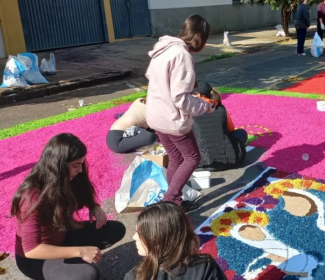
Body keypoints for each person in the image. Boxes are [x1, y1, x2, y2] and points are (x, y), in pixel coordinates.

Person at [10, 133, 126, 280]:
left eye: (81, 164)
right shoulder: (32, 196)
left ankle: (72, 262)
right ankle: (67, 266)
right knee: (89, 275)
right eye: (76, 166)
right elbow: (32, 250)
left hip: (62, 236)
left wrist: (94, 206)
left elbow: (83, 194)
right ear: (58, 166)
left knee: (116, 229)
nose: (80, 170)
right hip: (36, 259)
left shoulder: (66, 178)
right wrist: (80, 251)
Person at [145, 14, 216, 212]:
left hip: (156, 115)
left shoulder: (163, 49)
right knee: (192, 158)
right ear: (200, 37)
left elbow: (157, 80)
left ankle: (176, 199)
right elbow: (180, 99)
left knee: (176, 159)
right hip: (171, 119)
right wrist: (205, 106)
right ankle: (170, 202)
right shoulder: (183, 55)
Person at [124, 202, 227, 280]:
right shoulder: (204, 267)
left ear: (158, 241)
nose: (134, 237)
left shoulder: (136, 276)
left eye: (140, 234)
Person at [192, 80, 247, 171]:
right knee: (241, 133)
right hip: (228, 162)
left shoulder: (189, 110)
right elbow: (231, 129)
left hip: (201, 164)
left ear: (197, 95)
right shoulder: (220, 108)